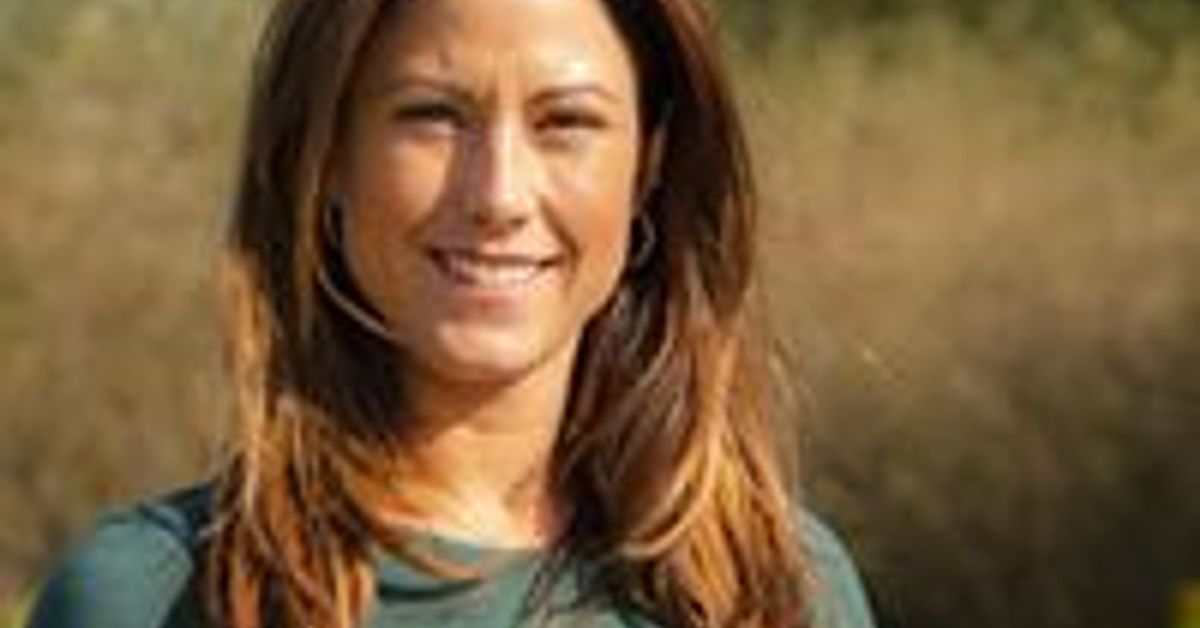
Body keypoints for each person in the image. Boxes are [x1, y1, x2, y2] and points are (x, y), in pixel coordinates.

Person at [29, 0, 878, 626]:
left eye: (566, 122)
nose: (498, 194)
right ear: (327, 157)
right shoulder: (148, 596)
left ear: (649, 166)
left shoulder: (778, 588)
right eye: (432, 116)